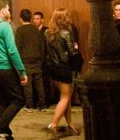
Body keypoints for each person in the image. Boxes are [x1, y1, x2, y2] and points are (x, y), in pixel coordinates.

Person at [0, 1, 28, 140]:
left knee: (1, 101)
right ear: (2, 11)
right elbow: (12, 51)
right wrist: (22, 71)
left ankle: (5, 133)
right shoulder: (5, 26)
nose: (9, 11)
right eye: (7, 9)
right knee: (19, 99)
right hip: (5, 68)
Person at [44, 8, 81, 139]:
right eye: (67, 16)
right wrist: (76, 48)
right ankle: (53, 124)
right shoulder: (66, 33)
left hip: (53, 68)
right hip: (65, 68)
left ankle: (69, 123)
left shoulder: (48, 33)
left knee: (66, 98)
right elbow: (72, 52)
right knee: (65, 97)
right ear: (64, 18)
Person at [13, 8, 46, 113]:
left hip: (25, 60)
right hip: (37, 59)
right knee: (39, 83)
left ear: (21, 18)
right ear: (31, 18)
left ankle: (29, 105)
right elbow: (41, 45)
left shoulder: (20, 30)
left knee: (28, 83)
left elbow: (17, 47)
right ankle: (42, 105)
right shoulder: (35, 29)